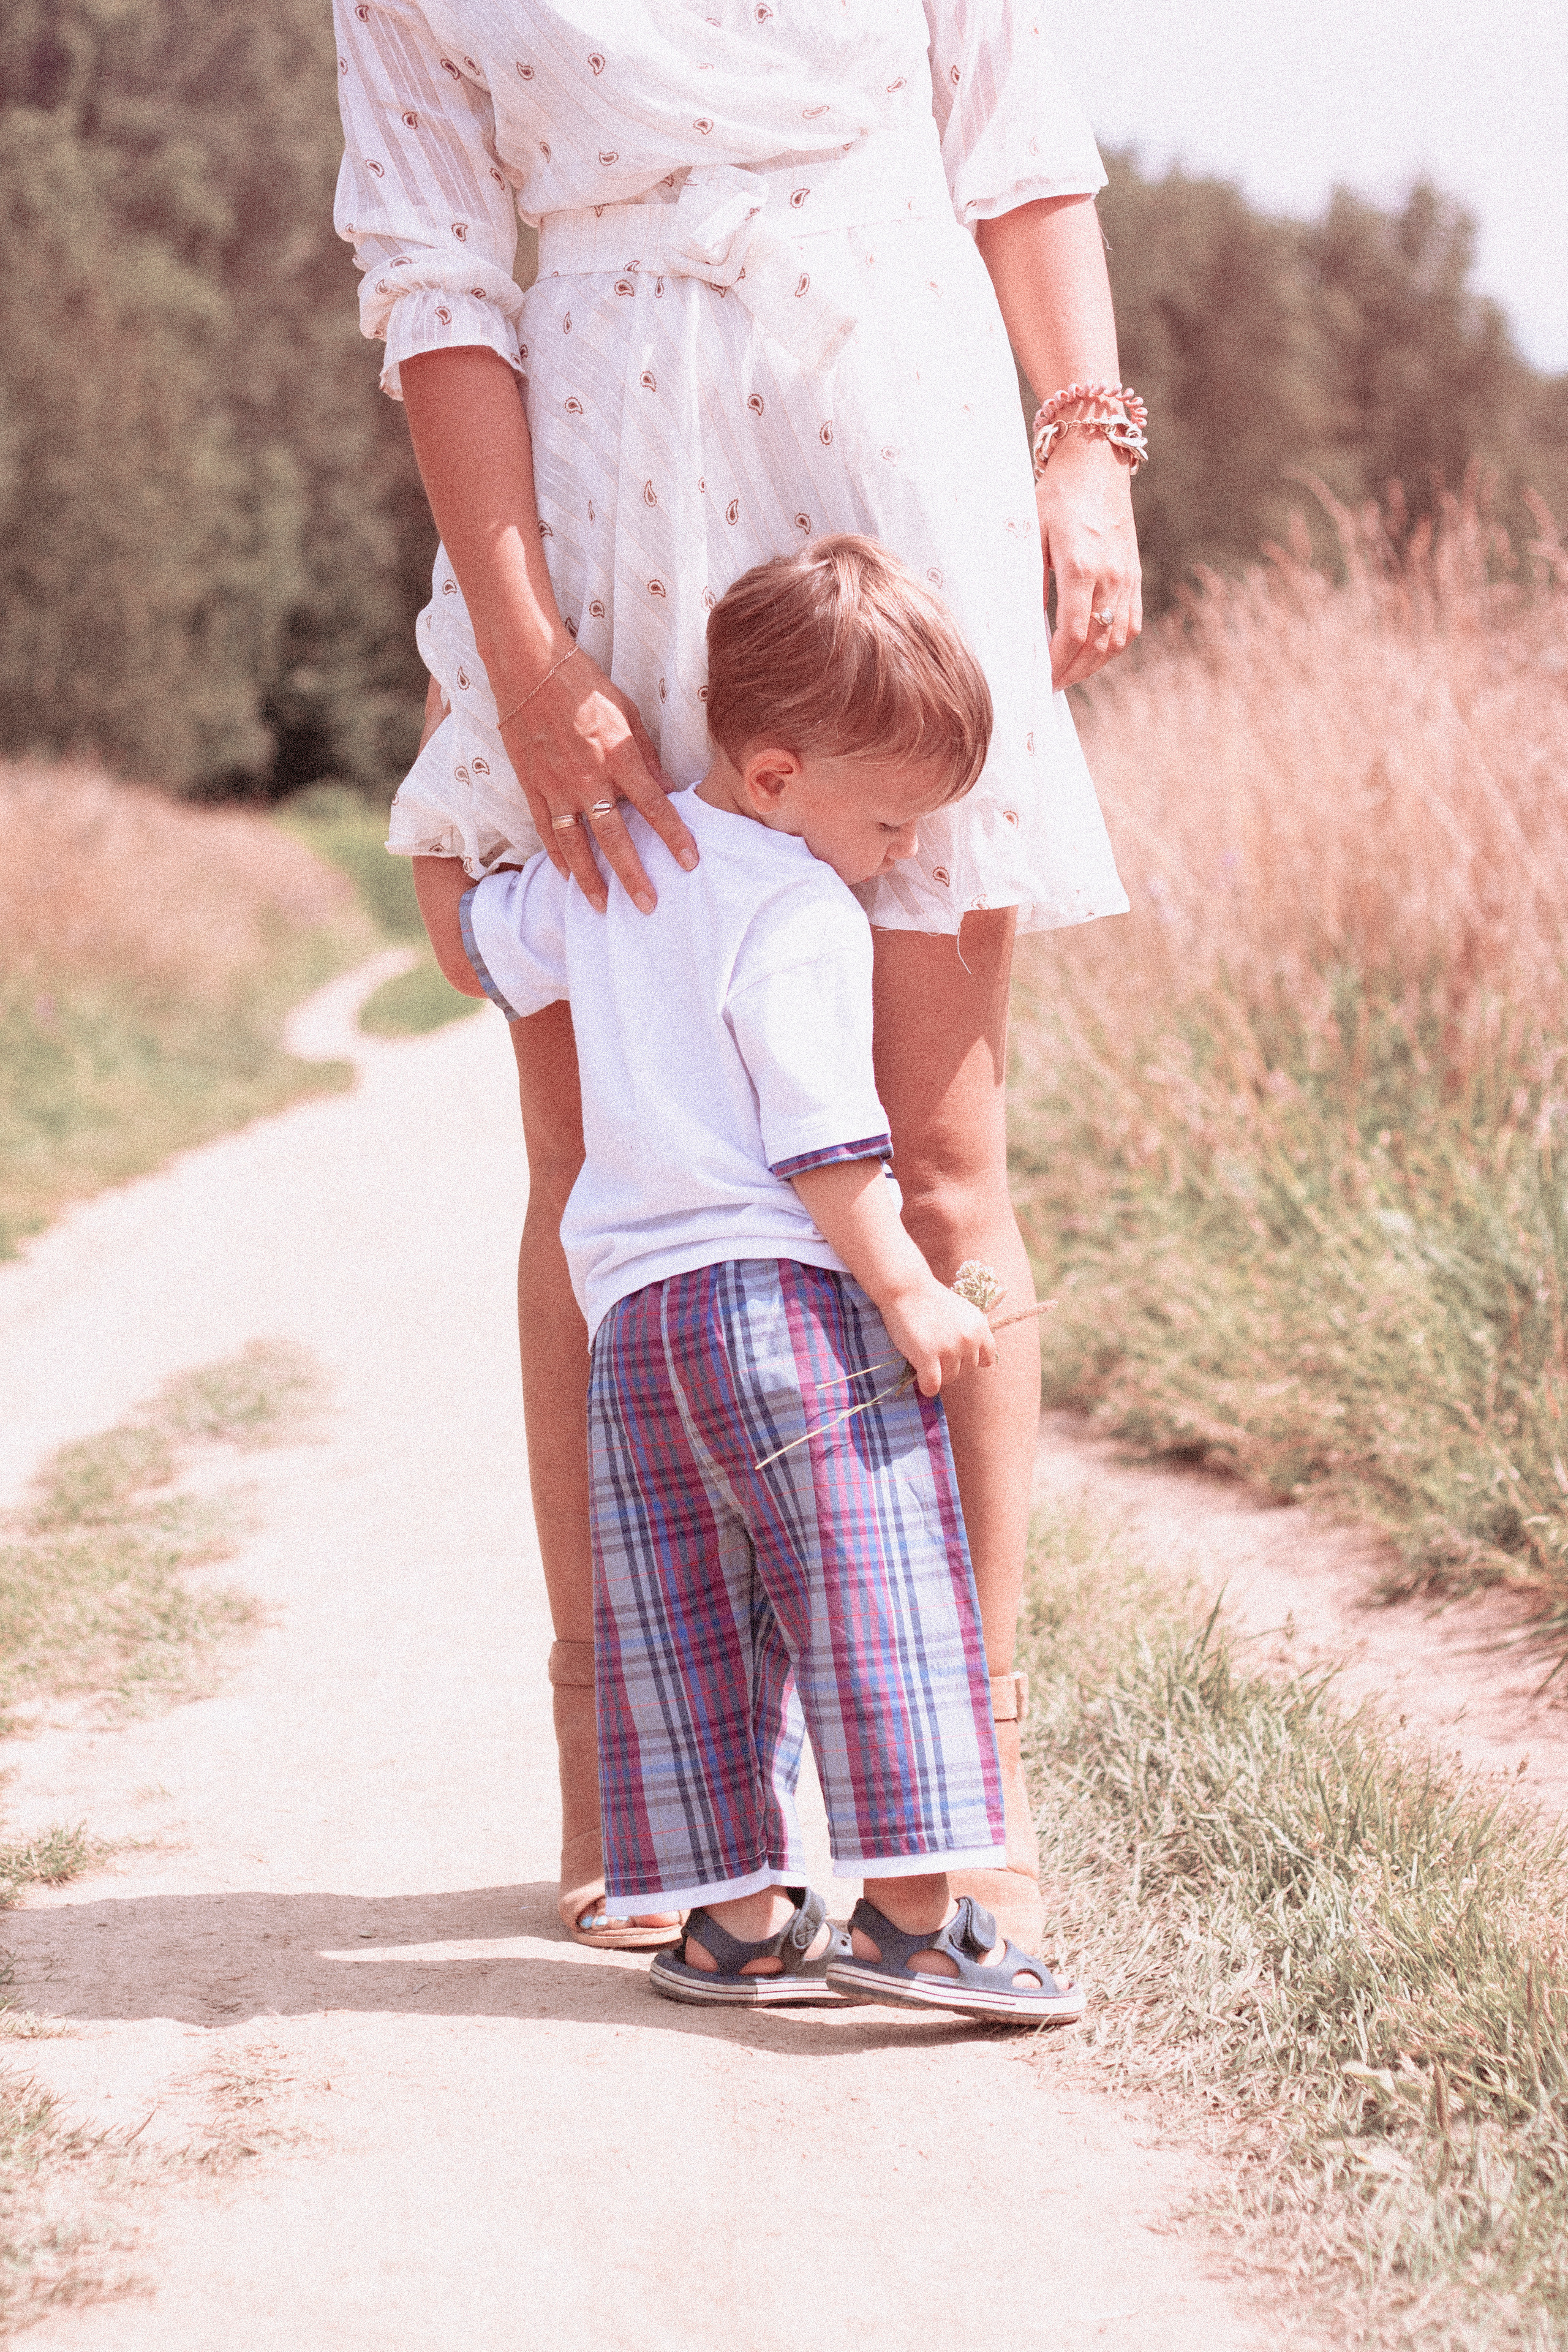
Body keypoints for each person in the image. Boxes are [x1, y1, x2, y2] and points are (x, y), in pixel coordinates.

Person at [334, 0, 1141, 1951]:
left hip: (897, 428)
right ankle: (636, 1772)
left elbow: (1015, 136)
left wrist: (1086, 448)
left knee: (938, 1157)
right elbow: (436, 275)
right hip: (600, 487)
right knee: (600, 1164)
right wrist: (523, 658)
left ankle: (970, 1786)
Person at [422, 538, 1084, 2024]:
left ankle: (727, 1919)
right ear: (778, 777)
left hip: (632, 1324)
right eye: (892, 819)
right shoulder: (799, 910)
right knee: (873, 1583)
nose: (904, 852)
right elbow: (825, 1145)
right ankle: (915, 1921)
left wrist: (441, 778)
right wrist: (910, 1291)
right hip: (774, 1307)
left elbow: (472, 949)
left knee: (680, 1614)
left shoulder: (613, 865)